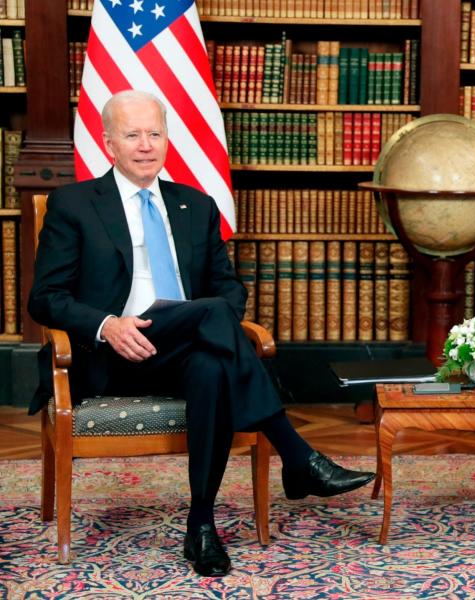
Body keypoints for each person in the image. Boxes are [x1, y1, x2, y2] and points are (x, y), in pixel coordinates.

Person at [28, 90, 375, 578]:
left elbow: (229, 290)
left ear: (168, 138)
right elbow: (45, 298)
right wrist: (109, 325)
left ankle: (202, 525)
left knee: (212, 352)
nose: (146, 145)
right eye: (132, 135)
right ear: (109, 143)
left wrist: (205, 320)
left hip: (183, 352)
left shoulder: (195, 204)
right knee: (211, 326)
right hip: (110, 356)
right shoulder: (74, 204)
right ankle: (296, 456)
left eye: (155, 133)